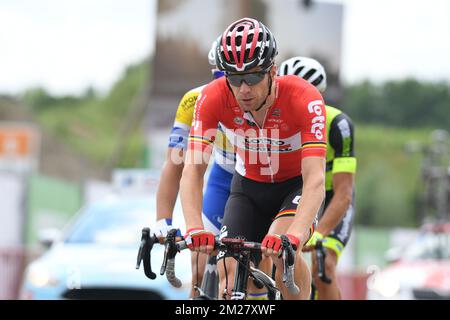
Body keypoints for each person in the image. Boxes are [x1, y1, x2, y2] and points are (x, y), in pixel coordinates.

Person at [179, 17, 327, 300]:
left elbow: (315, 179)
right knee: (229, 272)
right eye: (234, 79)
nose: (244, 89)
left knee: (285, 258)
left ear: (272, 71)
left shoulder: (303, 98)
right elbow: (192, 171)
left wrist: (295, 236)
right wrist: (194, 227)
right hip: (247, 187)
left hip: (294, 188)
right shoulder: (213, 97)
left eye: (253, 77)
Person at [154, 40, 234, 298]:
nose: (225, 85)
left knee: (241, 269)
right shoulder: (194, 100)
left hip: (259, 179)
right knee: (200, 269)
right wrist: (163, 220)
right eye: (218, 76)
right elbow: (175, 164)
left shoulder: (257, 97)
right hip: (222, 178)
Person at [278, 56, 357, 300]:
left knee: (324, 265)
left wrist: (319, 234)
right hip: (297, 194)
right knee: (278, 259)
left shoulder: (338, 124)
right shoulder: (276, 120)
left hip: (332, 198)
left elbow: (344, 192)